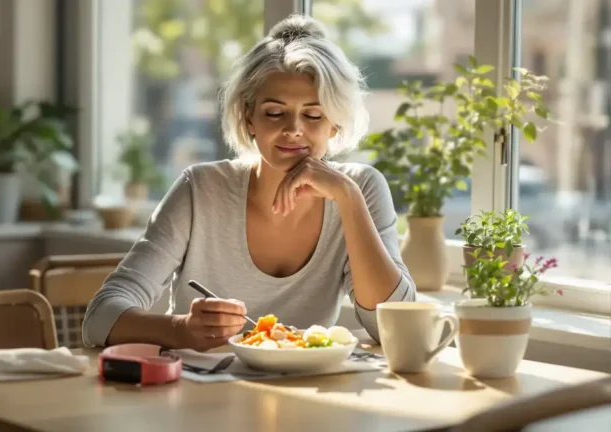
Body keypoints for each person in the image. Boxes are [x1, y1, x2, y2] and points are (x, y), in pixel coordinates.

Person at [83, 14, 416, 351]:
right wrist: (181, 330)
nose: (294, 129)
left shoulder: (361, 189)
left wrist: (348, 200)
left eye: (313, 115)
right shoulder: (200, 190)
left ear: (335, 125)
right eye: (275, 113)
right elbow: (99, 318)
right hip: (199, 395)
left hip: (305, 396)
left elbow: (393, 326)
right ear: (249, 118)